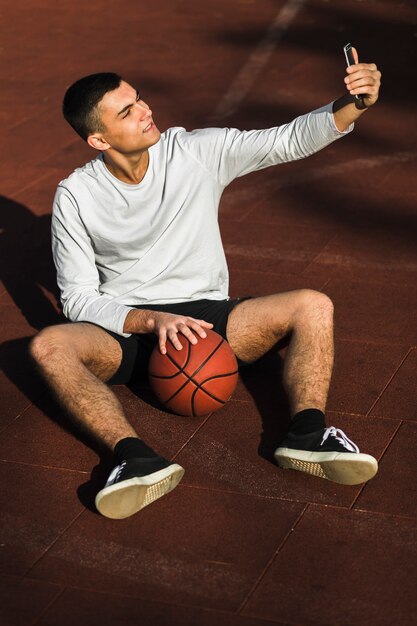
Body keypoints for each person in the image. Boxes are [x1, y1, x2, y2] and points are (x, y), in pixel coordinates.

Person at [29, 48, 382, 520]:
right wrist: (151, 320)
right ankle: (133, 459)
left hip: (209, 320)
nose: (145, 111)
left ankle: (308, 434)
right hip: (129, 330)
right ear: (98, 139)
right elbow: (77, 297)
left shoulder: (193, 152)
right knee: (50, 346)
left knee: (312, 304)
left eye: (140, 100)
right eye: (127, 111)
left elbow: (286, 140)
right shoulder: (76, 195)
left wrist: (354, 103)